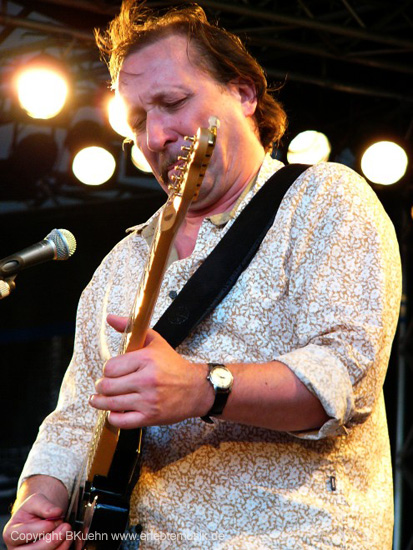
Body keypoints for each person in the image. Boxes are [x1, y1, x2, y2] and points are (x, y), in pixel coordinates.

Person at [3, 1, 401, 549]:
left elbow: (343, 377)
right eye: (137, 122)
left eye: (172, 103)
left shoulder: (325, 200)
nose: (156, 135)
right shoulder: (121, 263)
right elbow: (75, 417)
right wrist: (36, 501)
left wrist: (200, 388)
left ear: (244, 93)